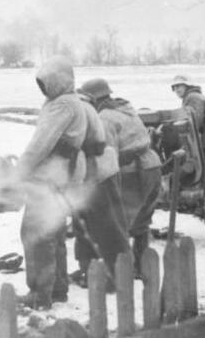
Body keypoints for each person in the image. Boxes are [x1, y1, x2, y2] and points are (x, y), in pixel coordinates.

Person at [17, 56, 88, 309]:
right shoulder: (67, 102)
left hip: (49, 177)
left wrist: (21, 170)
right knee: (54, 233)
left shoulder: (62, 106)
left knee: (36, 233)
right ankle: (58, 288)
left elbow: (40, 144)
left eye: (46, 82)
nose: (43, 87)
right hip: (60, 178)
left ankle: (40, 293)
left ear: (58, 81)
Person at [80, 78, 162, 279]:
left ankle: (118, 271)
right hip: (153, 166)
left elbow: (109, 158)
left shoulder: (105, 118)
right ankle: (140, 266)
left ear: (93, 99)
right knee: (142, 221)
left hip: (133, 171)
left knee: (119, 223)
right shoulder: (125, 109)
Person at [69, 87, 118, 289]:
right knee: (101, 227)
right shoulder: (94, 113)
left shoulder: (78, 112)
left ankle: (93, 273)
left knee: (84, 226)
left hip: (88, 178)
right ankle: (102, 271)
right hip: (101, 177)